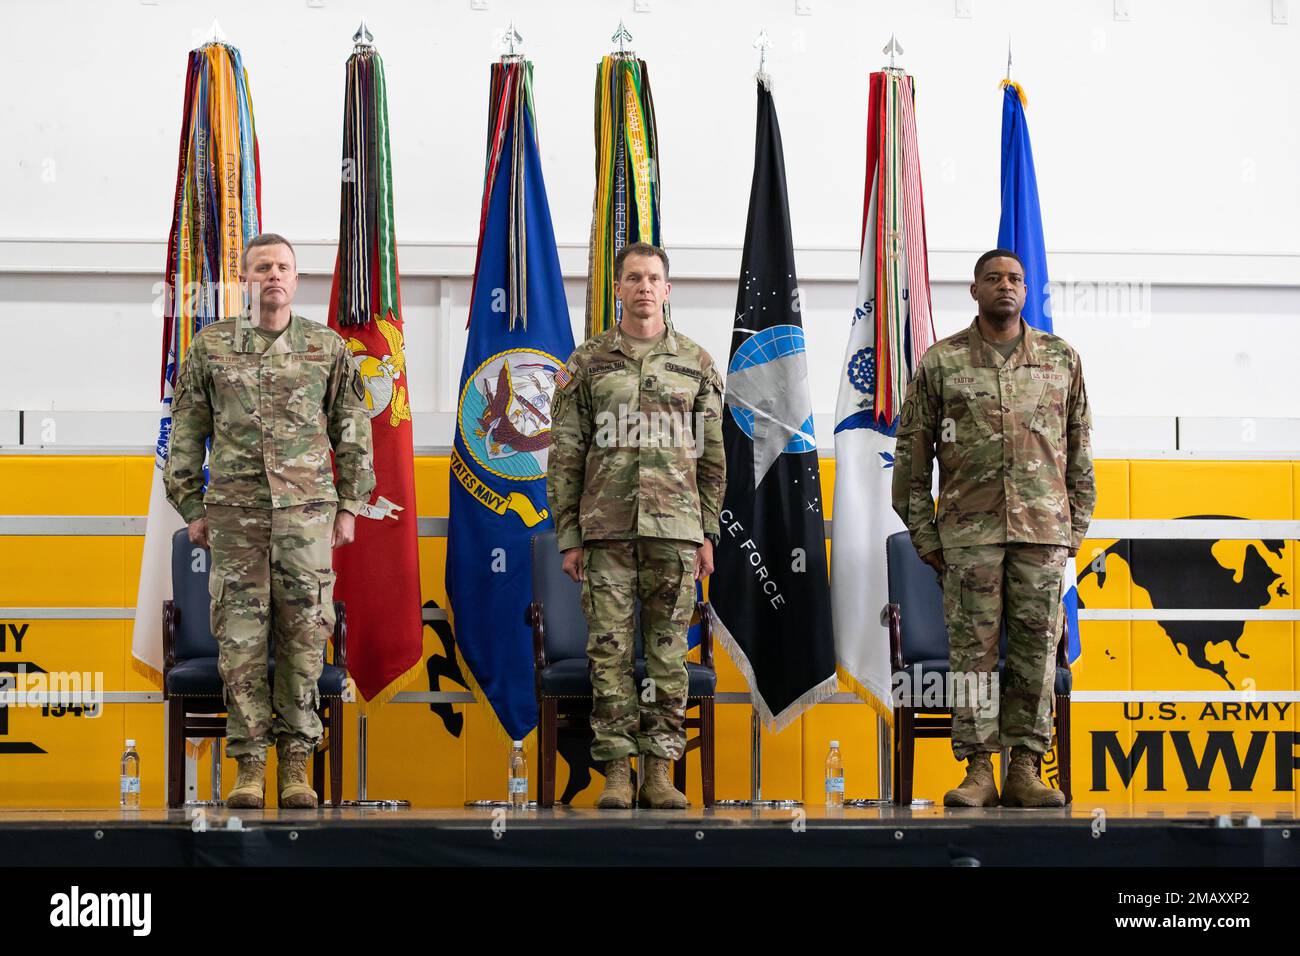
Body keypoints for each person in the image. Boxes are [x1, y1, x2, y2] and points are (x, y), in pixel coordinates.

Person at [164, 233, 374, 809]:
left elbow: (353, 430)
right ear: (244, 277)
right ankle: (250, 766)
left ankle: (297, 764)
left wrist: (351, 505)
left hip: (308, 518)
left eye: (282, 267)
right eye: (262, 268)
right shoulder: (211, 348)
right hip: (236, 519)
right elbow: (185, 435)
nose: (273, 276)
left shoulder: (325, 347)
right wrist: (192, 509)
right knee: (241, 642)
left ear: (296, 278)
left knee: (306, 637)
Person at [892, 248, 1096, 808]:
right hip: (968, 537)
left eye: (1015, 279)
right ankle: (979, 769)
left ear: (1025, 291)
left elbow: (1080, 457)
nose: (1006, 286)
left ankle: (1025, 768)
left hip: (1043, 537)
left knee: (1035, 652)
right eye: (993, 278)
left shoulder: (1061, 360)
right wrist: (928, 538)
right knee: (972, 656)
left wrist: (1069, 535)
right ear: (975, 289)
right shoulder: (941, 362)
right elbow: (912, 461)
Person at [547, 242, 726, 809]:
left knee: (670, 655)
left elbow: (714, 457)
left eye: (653, 278)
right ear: (617, 289)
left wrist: (707, 532)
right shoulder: (587, 362)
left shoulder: (695, 363)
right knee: (608, 655)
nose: (644, 287)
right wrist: (569, 535)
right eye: (633, 278)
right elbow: (566, 455)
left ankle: (660, 771)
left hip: (675, 534)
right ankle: (618, 772)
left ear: (667, 290)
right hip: (607, 533)